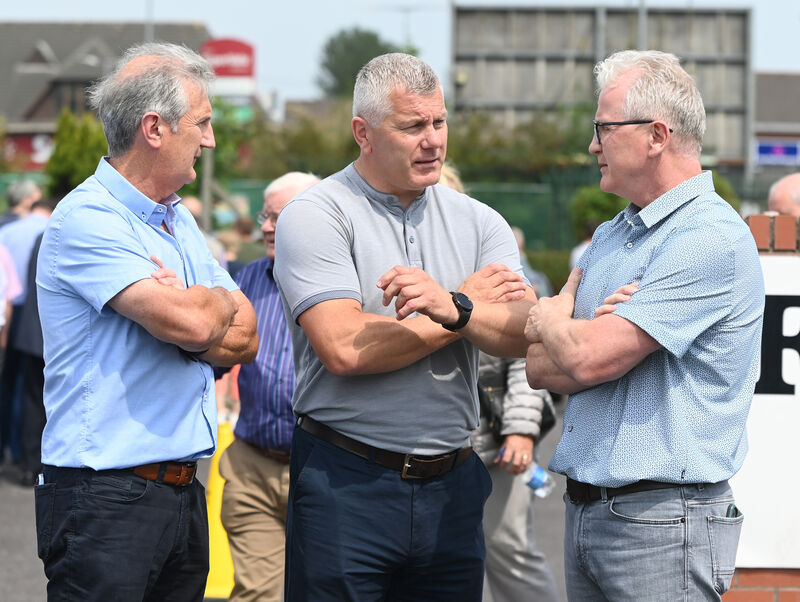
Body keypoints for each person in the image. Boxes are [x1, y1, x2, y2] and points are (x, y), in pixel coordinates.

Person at [273, 52, 537, 601]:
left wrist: (454, 306)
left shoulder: (479, 220)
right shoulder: (317, 213)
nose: (433, 140)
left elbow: (519, 333)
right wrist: (463, 308)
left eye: (439, 122)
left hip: (455, 482)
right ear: (362, 133)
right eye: (412, 126)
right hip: (347, 482)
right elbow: (344, 347)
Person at [525, 50, 764, 601]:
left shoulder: (707, 237)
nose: (592, 146)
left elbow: (584, 359)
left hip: (663, 522)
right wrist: (572, 334)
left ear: (656, 134)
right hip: (591, 514)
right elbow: (540, 368)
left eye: (603, 129)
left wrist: (556, 319)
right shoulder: (613, 233)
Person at [34, 42, 258, 601]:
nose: (209, 140)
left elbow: (245, 334)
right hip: (105, 498)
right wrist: (202, 309)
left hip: (177, 493)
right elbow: (196, 328)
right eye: (201, 124)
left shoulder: (175, 218)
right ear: (154, 128)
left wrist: (197, 306)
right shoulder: (87, 217)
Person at [438, 161, 559, 601]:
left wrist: (522, 431)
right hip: (440, 446)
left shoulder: (493, 265)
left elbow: (525, 351)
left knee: (509, 551)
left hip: (493, 444)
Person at [219, 171, 319, 602]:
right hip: (253, 466)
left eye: (280, 216)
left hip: (325, 469)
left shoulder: (348, 282)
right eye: (265, 214)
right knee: (255, 594)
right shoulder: (245, 281)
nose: (265, 226)